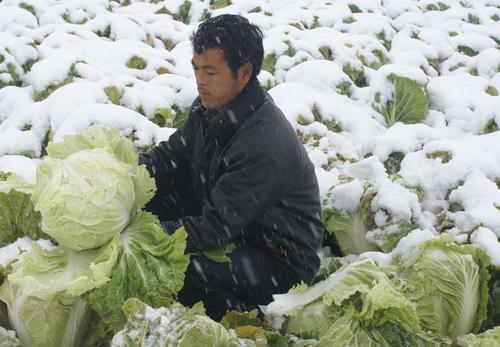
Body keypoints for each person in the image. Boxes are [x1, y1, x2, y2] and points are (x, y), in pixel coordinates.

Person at [139, 14, 325, 321]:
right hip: (234, 220)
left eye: (210, 72)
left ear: (244, 72)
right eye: (196, 68)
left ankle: (244, 317)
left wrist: (144, 235)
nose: (199, 81)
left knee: (185, 273)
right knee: (148, 198)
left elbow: (214, 228)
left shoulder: (263, 143)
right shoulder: (209, 107)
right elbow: (170, 157)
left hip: (276, 257)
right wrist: (128, 180)